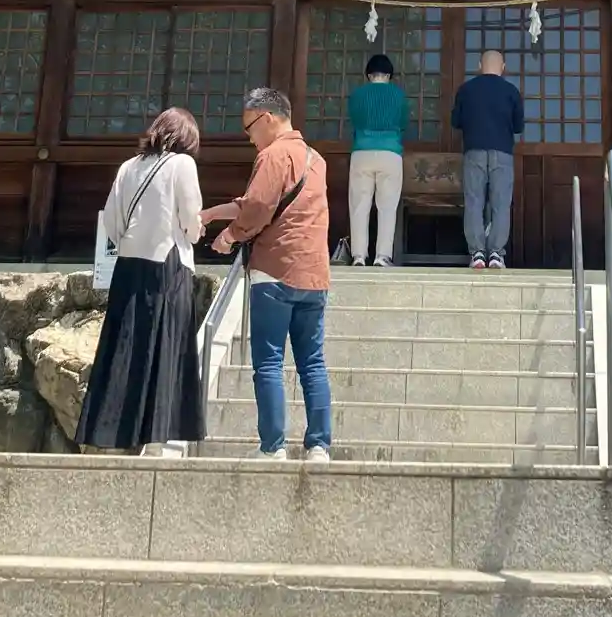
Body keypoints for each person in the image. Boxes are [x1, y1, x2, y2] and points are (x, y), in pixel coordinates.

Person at [206, 86, 331, 461]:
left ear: (268, 117)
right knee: (312, 362)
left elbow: (258, 206)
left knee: (269, 362)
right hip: (314, 273)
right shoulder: (316, 160)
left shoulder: (273, 155)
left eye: (250, 127)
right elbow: (263, 203)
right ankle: (319, 445)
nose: (249, 137)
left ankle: (273, 446)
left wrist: (229, 236)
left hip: (275, 269)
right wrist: (212, 214)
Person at [77, 107, 206, 453]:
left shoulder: (128, 167)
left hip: (128, 266)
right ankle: (158, 438)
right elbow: (191, 222)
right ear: (186, 138)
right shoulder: (182, 165)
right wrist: (196, 231)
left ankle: (112, 435)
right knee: (165, 348)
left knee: (124, 348)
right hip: (168, 265)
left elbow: (112, 222)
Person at [450, 49, 524, 270]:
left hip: (474, 150)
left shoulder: (466, 89)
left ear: (479, 66)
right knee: (501, 204)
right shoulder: (511, 91)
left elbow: (456, 121)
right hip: (502, 152)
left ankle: (477, 253)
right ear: (503, 67)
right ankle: (496, 254)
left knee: (474, 201)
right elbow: (518, 126)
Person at [346, 53, 407, 267]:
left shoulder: (357, 95)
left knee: (359, 205)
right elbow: (403, 123)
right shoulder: (398, 95)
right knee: (387, 206)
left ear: (369, 75)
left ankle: (358, 255)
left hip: (361, 151)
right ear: (388, 75)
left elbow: (354, 121)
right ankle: (382, 255)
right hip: (390, 152)